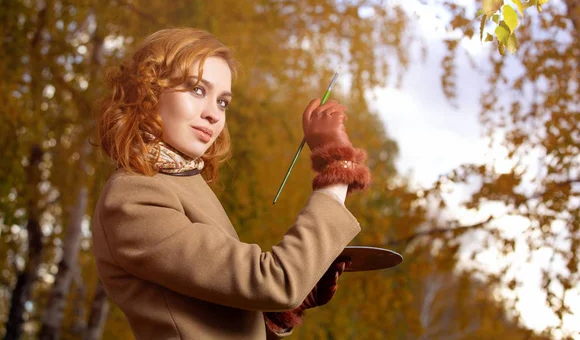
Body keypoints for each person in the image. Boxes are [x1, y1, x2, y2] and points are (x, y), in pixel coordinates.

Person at [91, 28, 371, 339]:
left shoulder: (181, 182)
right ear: (148, 92)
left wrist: (280, 311)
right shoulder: (134, 195)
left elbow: (209, 317)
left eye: (223, 102)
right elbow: (275, 282)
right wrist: (337, 166)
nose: (213, 114)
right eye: (197, 89)